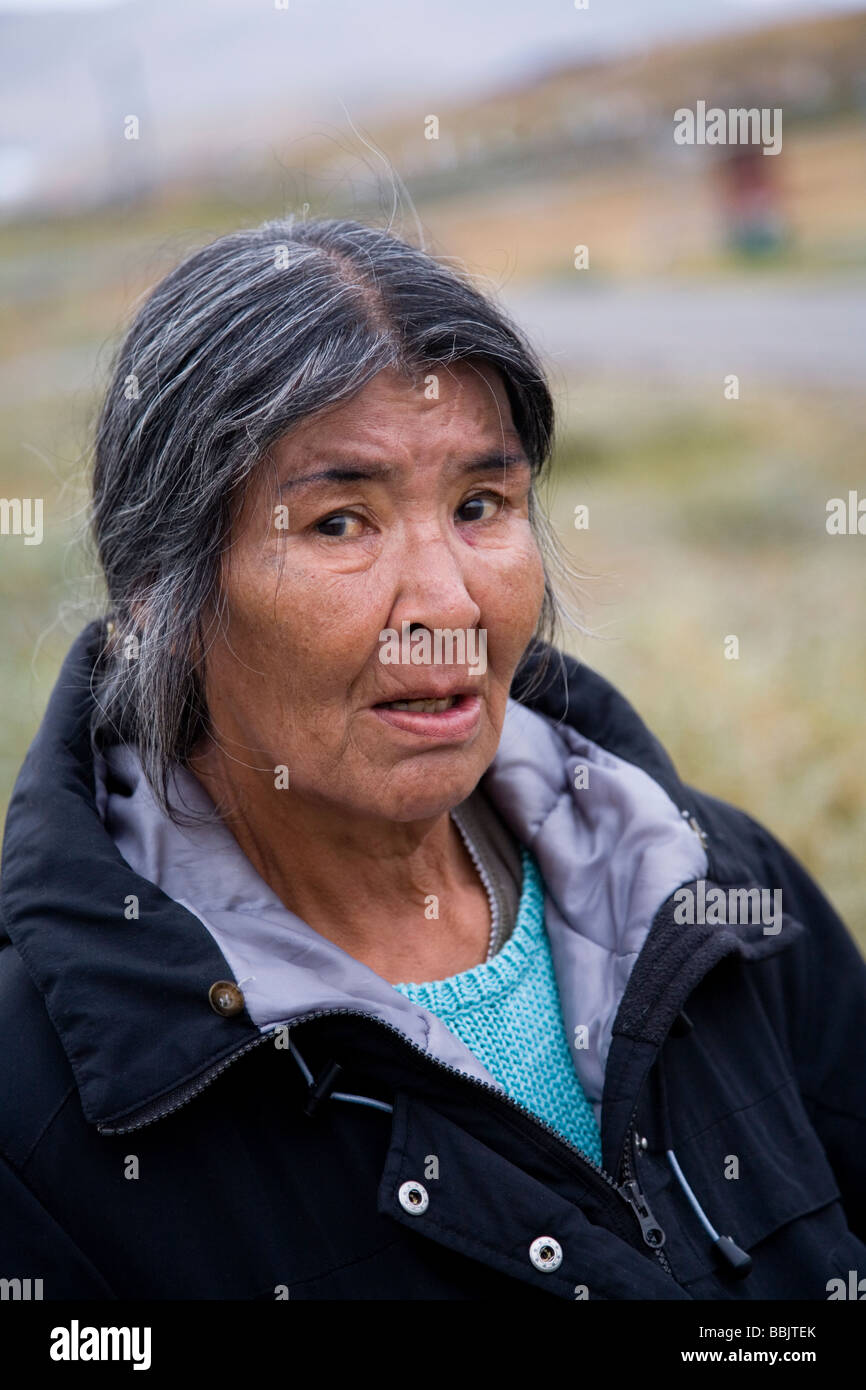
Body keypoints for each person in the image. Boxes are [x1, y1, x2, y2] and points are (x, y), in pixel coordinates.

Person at [1, 216, 864, 1301]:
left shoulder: (716, 898)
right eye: (338, 524)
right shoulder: (44, 1112)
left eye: (478, 506)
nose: (448, 604)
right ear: (161, 598)